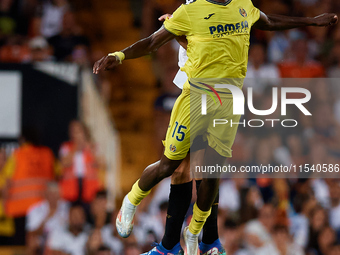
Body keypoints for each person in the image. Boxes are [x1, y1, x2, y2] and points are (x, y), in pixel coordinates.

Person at [93, 0, 338, 253]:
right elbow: (154, 41)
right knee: (172, 166)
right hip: (194, 95)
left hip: (228, 101)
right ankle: (133, 200)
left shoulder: (242, 5)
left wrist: (311, 21)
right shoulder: (192, 10)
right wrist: (119, 55)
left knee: (209, 171)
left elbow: (269, 21)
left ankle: (195, 233)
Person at [3, 127, 56, 245]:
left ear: (23, 139)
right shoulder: (47, 155)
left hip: (20, 209)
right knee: (39, 243)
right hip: (41, 209)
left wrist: (4, 203)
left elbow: (7, 182)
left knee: (22, 244)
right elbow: (55, 177)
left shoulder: (17, 155)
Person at [26, 182, 69, 255]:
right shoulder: (35, 209)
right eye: (51, 194)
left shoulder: (66, 207)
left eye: (56, 193)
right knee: (33, 242)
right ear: (45, 194)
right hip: (44, 242)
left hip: (63, 241)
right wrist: (48, 217)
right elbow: (31, 233)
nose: (53, 197)